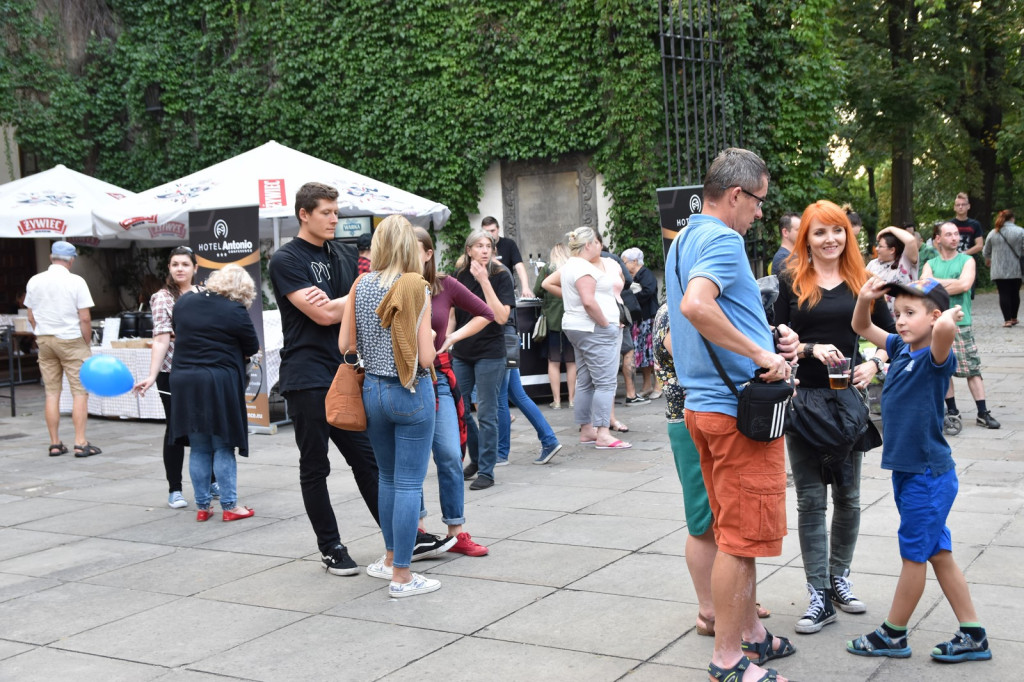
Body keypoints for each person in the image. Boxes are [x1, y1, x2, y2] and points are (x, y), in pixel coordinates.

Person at [665, 148, 799, 682]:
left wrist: (761, 338)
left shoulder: (683, 239)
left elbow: (680, 332)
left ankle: (751, 635)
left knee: (728, 530)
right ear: (737, 195)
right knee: (741, 539)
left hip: (703, 405)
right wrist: (763, 354)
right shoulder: (722, 238)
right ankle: (728, 660)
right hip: (736, 411)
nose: (761, 213)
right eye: (759, 201)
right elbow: (698, 307)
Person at [849, 277, 992, 664]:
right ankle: (974, 634)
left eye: (910, 313)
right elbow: (862, 327)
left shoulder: (934, 358)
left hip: (927, 477)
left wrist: (946, 317)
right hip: (912, 473)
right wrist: (865, 299)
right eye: (897, 313)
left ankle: (893, 635)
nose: (899, 321)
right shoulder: (901, 348)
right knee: (938, 553)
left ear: (933, 316)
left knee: (914, 555)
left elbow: (944, 332)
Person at [774, 200, 894, 635]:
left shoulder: (863, 280)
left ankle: (839, 578)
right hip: (805, 401)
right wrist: (809, 349)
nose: (830, 240)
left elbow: (891, 338)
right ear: (805, 236)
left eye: (837, 231)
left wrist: (874, 364)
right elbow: (776, 341)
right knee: (809, 499)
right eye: (820, 232)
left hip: (846, 403)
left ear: (848, 234)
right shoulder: (790, 279)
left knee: (848, 496)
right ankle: (818, 593)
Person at [269, 182, 381, 576]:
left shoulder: (345, 253)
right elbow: (324, 315)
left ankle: (399, 535)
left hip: (346, 370)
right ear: (304, 214)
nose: (334, 219)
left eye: (336, 212)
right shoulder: (285, 259)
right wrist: (356, 295)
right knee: (315, 466)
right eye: (326, 212)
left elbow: (354, 307)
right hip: (305, 374)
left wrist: (346, 298)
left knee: (368, 461)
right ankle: (331, 547)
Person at [343, 215, 441, 598]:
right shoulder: (417, 285)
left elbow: (345, 346)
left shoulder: (361, 284)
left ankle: (388, 559)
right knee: (407, 484)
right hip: (411, 392)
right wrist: (429, 335)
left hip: (373, 392)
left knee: (386, 478)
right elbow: (428, 357)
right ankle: (402, 575)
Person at [413, 226, 491, 556]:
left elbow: (486, 313)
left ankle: (456, 531)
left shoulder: (443, 285)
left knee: (448, 454)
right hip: (404, 380)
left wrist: (452, 338)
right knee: (411, 462)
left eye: (413, 249)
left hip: (438, 377)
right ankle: (415, 529)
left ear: (429, 253)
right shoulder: (392, 285)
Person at [169, 265, 260, 522]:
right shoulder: (234, 310)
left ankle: (202, 507)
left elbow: (179, 331)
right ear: (243, 290)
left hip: (184, 380)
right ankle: (230, 507)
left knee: (198, 447)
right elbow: (251, 346)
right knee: (223, 444)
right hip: (218, 381)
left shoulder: (185, 302)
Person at [133, 246, 215, 509]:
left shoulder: (204, 294)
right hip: (173, 372)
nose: (179, 268)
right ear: (169, 268)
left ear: (195, 268)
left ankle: (212, 480)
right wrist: (151, 375)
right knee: (176, 430)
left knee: (206, 425)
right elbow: (161, 338)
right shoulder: (162, 297)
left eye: (185, 264)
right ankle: (175, 489)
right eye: (175, 264)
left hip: (204, 370)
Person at [543, 226, 631, 450]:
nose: (599, 246)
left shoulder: (571, 265)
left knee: (586, 379)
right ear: (589, 245)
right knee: (605, 382)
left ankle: (587, 430)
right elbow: (589, 301)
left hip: (578, 327)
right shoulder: (583, 268)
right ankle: (602, 433)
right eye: (596, 242)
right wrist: (605, 324)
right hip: (594, 328)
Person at [451, 229, 516, 490]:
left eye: (488, 245)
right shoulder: (459, 276)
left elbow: (500, 317)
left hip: (490, 352)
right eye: (479, 245)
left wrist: (485, 281)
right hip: (462, 352)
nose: (485, 250)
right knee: (462, 410)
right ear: (469, 251)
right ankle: (476, 459)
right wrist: (447, 340)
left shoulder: (501, 276)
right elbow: (454, 313)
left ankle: (487, 470)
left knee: (487, 413)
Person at [24, 241, 100, 458]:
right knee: (79, 393)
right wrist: (86, 342)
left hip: (45, 340)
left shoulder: (34, 280)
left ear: (51, 257)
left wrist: (42, 333)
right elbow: (84, 317)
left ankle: (55, 443)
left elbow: (30, 315)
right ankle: (80, 442)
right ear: (72, 260)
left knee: (51, 392)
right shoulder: (76, 281)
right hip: (71, 339)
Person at [922, 222, 1001, 429]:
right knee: (942, 369)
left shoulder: (967, 260)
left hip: (961, 323)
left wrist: (935, 283)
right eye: (949, 234)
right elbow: (924, 287)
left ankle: (983, 412)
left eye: (956, 234)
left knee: (972, 368)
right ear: (938, 239)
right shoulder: (930, 263)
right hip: (937, 324)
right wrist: (950, 283)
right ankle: (953, 412)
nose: (955, 238)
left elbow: (964, 285)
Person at [533, 243, 576, 409]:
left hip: (552, 321)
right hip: (571, 319)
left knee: (554, 362)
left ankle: (556, 400)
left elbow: (537, 290)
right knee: (572, 362)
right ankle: (572, 399)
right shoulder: (572, 270)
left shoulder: (547, 270)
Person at [621, 248, 660, 399]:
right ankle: (646, 385)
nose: (623, 266)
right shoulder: (633, 276)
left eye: (625, 262)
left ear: (635, 261)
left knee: (653, 353)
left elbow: (648, 292)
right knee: (642, 354)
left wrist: (632, 298)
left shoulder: (646, 274)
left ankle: (658, 385)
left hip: (648, 318)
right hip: (639, 319)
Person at [981, 209, 1023, 326]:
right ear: (1012, 219)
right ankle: (1014, 317)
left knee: (1003, 293)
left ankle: (1007, 320)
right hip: (1016, 268)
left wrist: (989, 259)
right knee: (1015, 293)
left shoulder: (993, 233)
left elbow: (985, 251)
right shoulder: (1020, 231)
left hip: (998, 269)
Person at [865, 226, 919, 316]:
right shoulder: (873, 264)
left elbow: (910, 241)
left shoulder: (905, 262)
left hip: (902, 319)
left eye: (880, 246)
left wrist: (889, 229)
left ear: (892, 250)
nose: (877, 249)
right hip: (875, 318)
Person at [481, 216, 535, 298]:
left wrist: (525, 287)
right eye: (486, 231)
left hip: (506, 289)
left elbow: (519, 266)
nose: (490, 234)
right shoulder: (478, 247)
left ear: (498, 229)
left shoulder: (509, 244)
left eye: (492, 231)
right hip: (485, 290)